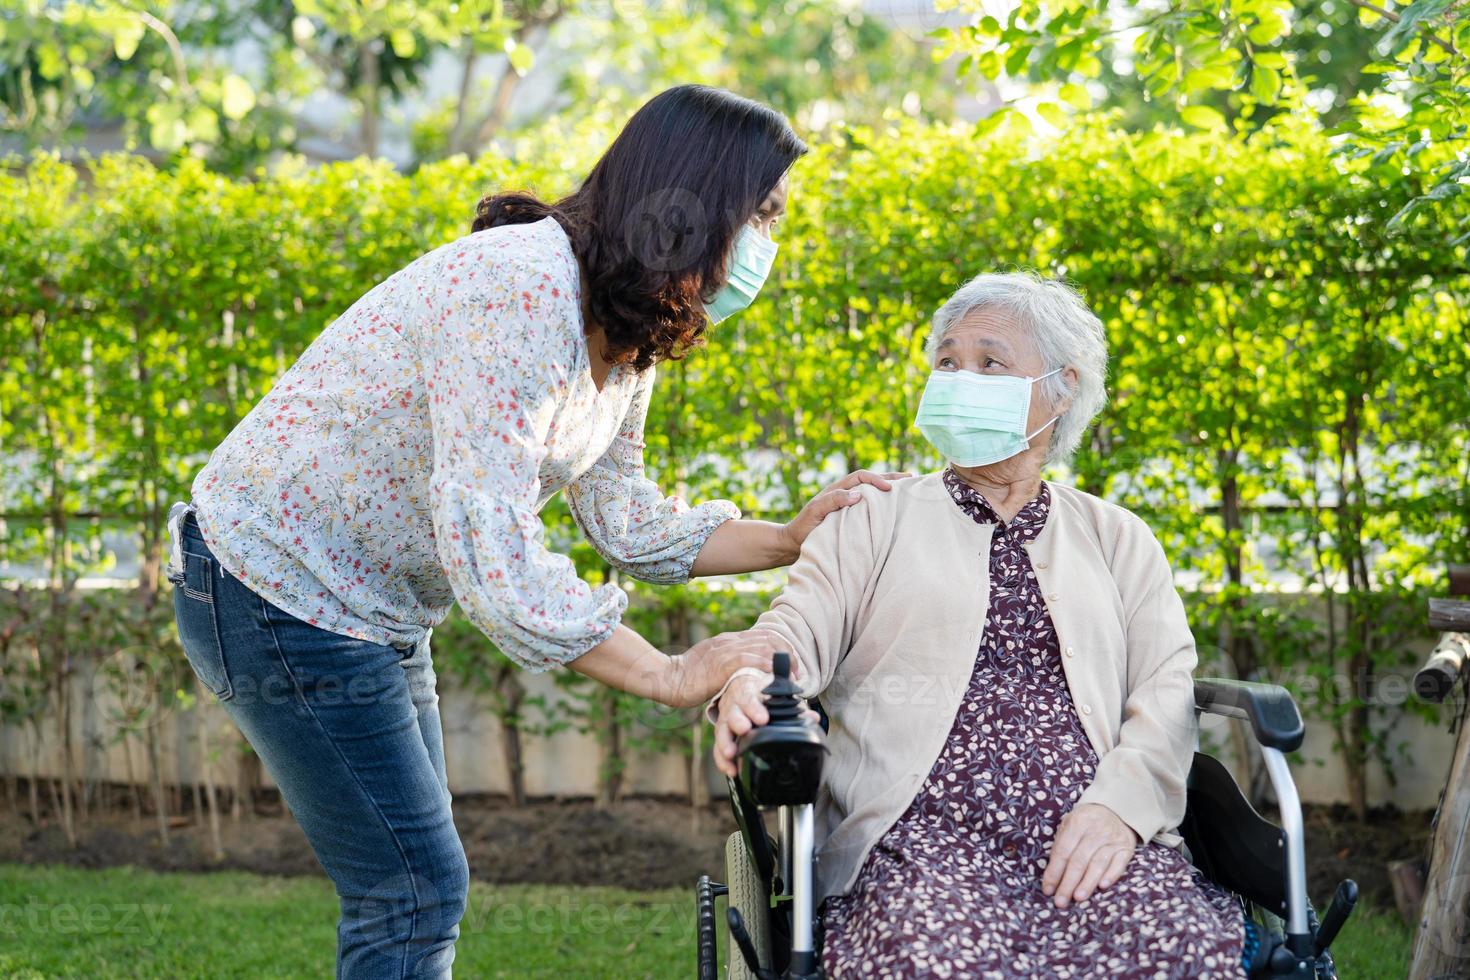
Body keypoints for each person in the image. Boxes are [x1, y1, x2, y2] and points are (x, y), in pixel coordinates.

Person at [166, 84, 903, 979]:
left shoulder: (625, 324)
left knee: (415, 888)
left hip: (369, 607)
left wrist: (790, 536)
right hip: (274, 591)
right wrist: (671, 674)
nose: (765, 245)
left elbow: (627, 520)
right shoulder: (521, 289)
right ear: (693, 199)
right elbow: (496, 556)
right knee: (412, 891)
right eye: (762, 214)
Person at [709, 272, 1248, 978]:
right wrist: (751, 676)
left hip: (1089, 831)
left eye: (991, 363)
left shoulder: (1119, 538)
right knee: (929, 957)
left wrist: (1120, 809)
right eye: (947, 362)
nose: (961, 379)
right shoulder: (871, 517)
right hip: (918, 839)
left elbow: (1167, 690)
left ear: (1061, 390)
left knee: (1177, 949)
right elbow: (794, 631)